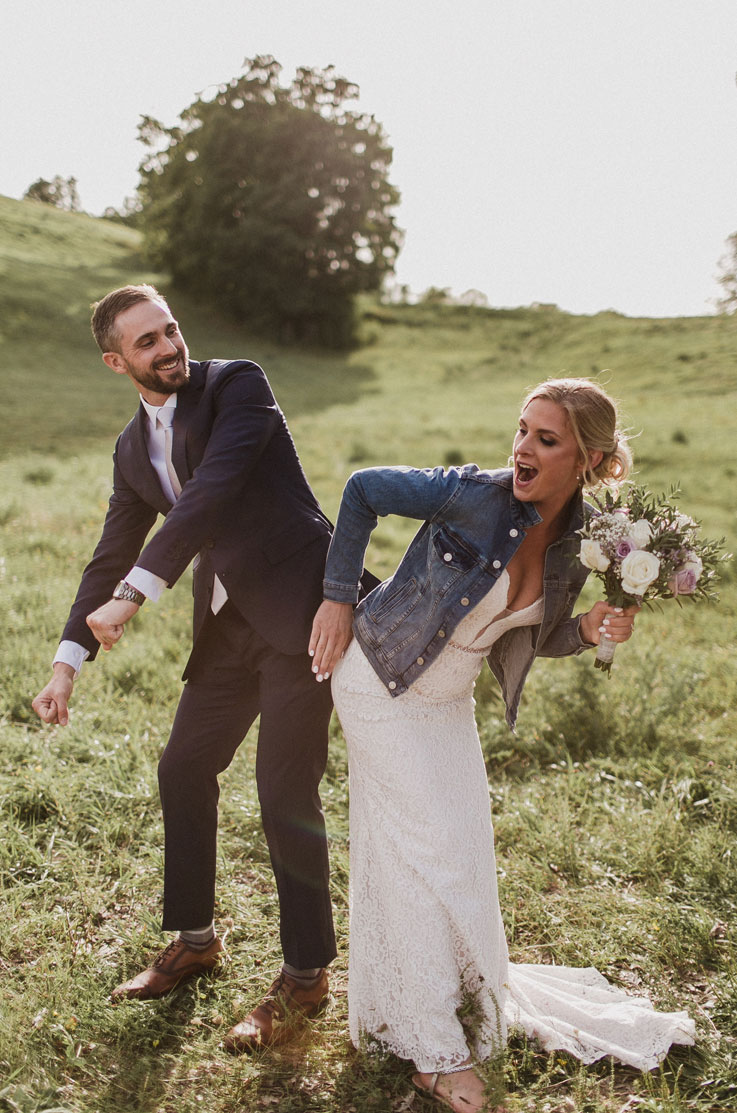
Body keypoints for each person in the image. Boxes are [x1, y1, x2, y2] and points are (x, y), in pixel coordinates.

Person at [309, 379, 695, 1113]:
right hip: (378, 682)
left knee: (458, 850)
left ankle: (442, 990)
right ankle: (434, 1051)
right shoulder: (470, 494)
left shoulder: (583, 543)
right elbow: (361, 490)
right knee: (426, 850)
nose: (521, 448)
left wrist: (586, 630)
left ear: (591, 459)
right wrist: (336, 594)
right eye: (521, 429)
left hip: (447, 703)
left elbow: (533, 630)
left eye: (545, 439)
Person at [31, 284, 373, 1052]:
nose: (169, 347)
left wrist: (132, 597)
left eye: (171, 329)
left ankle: (306, 973)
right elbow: (110, 552)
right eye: (147, 341)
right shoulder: (131, 450)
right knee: (182, 766)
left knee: (284, 789)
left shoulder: (237, 385)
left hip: (302, 615)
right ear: (118, 362)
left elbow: (208, 499)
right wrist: (66, 663)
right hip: (225, 629)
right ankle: (194, 938)